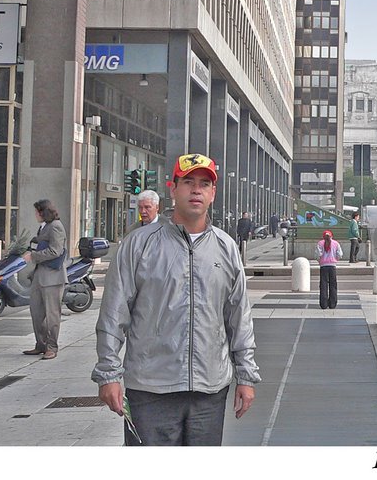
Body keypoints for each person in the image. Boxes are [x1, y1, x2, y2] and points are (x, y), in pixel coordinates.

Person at [92, 153, 259, 446]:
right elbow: (114, 313)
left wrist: (246, 375)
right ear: (173, 189)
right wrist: (108, 373)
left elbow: (238, 318)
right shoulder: (139, 245)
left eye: (204, 184)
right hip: (150, 390)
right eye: (188, 182)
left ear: (212, 194)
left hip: (209, 389)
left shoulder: (226, 248)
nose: (196, 190)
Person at [22, 199, 67, 360]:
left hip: (52, 277)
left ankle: (51, 346)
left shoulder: (56, 226)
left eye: (37, 212)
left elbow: (55, 251)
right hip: (39, 275)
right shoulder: (44, 227)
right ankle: (40, 343)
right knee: (36, 312)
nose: (35, 215)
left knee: (52, 314)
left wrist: (33, 256)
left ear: (43, 212)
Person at [316, 230, 343, 309]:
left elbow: (318, 254)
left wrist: (320, 261)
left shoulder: (320, 243)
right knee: (333, 285)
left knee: (323, 285)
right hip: (332, 266)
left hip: (323, 266)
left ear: (323, 236)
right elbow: (340, 254)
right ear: (332, 236)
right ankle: (332, 304)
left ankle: (323, 304)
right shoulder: (336, 243)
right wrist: (336, 259)